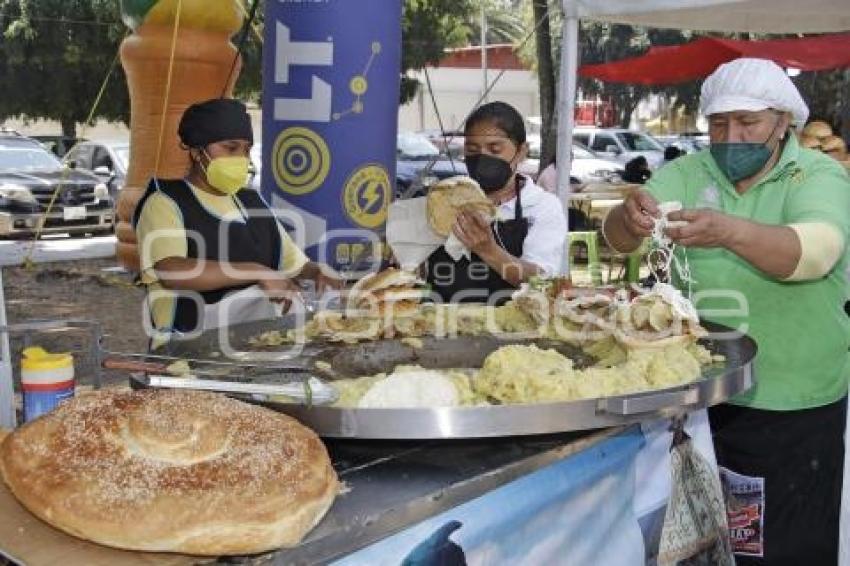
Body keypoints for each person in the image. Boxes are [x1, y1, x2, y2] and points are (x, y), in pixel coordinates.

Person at [603, 58, 850, 565]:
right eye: (718, 124)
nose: (730, 136)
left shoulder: (815, 173)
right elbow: (616, 240)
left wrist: (727, 231)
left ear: (783, 122)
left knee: (786, 550)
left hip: (790, 402)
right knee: (703, 545)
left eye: (747, 122)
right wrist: (627, 219)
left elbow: (816, 252)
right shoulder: (690, 173)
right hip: (701, 400)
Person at [133, 98, 341, 341]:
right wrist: (256, 271)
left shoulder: (251, 201)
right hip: (186, 351)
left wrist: (317, 272)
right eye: (231, 148)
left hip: (256, 343)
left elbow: (294, 264)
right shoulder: (165, 201)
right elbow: (172, 271)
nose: (242, 158)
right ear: (196, 151)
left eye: (246, 149)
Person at [424, 101, 567, 304]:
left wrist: (487, 250)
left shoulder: (542, 206)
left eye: (495, 149)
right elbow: (416, 267)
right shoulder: (443, 201)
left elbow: (539, 278)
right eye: (473, 150)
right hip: (444, 324)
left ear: (521, 152)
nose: (483, 158)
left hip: (512, 326)